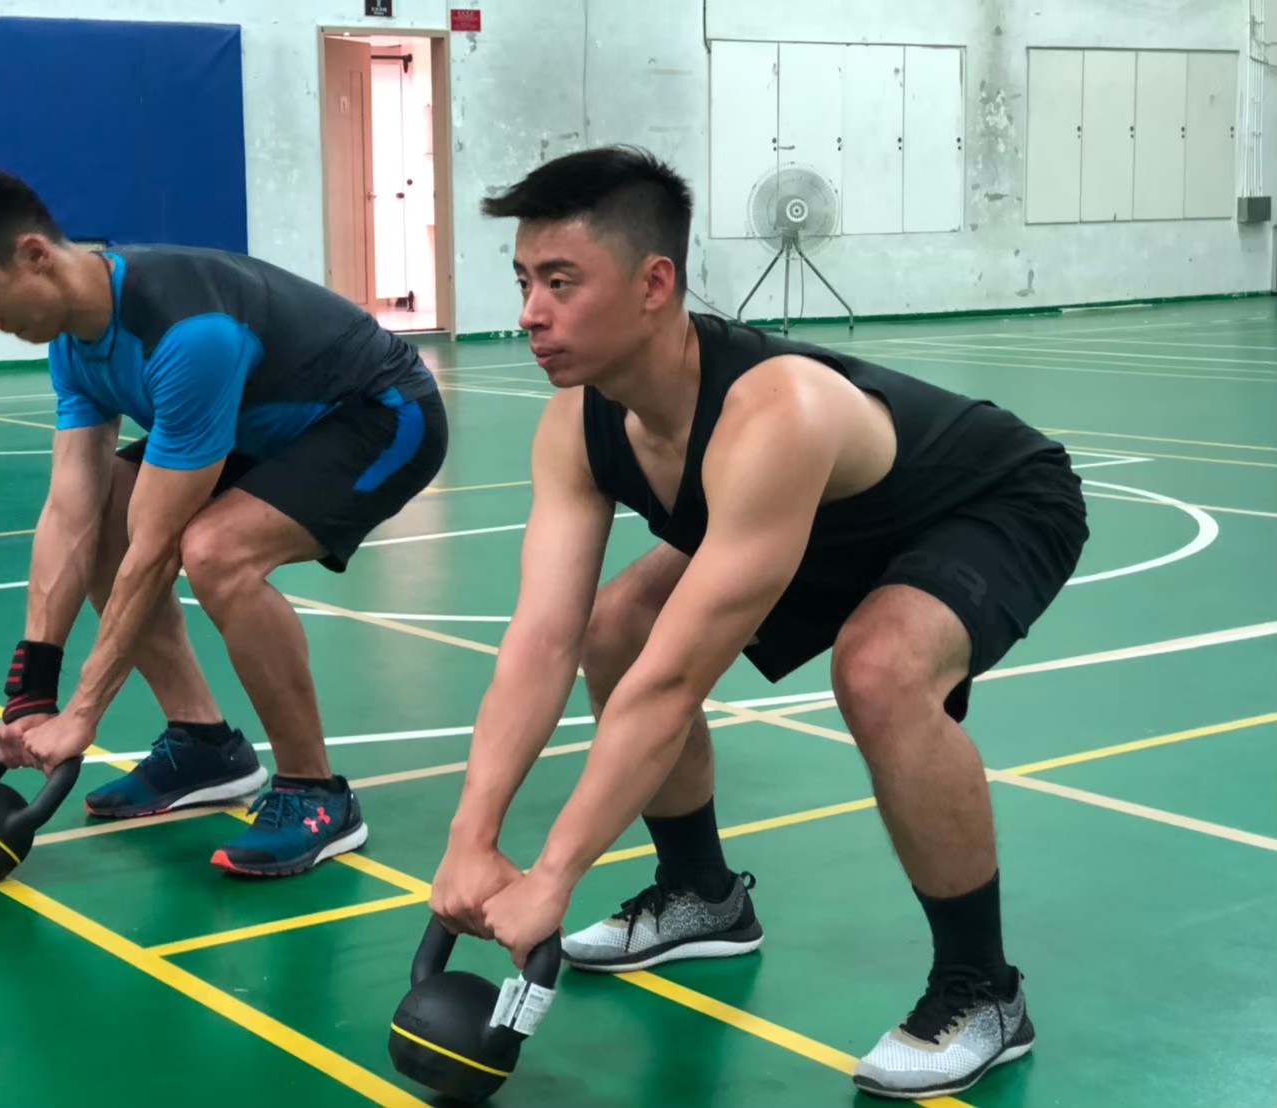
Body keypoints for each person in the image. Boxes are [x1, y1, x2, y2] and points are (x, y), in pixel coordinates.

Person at [428, 146, 1087, 1100]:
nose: (531, 311)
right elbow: (540, 640)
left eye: (560, 282)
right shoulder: (578, 423)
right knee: (618, 624)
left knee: (880, 669)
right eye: (524, 280)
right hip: (810, 517)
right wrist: (472, 833)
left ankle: (982, 990)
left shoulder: (775, 411)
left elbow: (670, 686)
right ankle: (701, 896)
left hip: (987, 504)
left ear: (655, 284)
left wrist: (553, 875)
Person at [0, 162, 447, 877]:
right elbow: (71, 509)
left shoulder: (190, 333)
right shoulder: (73, 340)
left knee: (216, 552)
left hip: (381, 415)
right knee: (109, 504)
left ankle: (316, 794)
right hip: (261, 424)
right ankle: (204, 746)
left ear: (34, 255)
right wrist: (32, 686)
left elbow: (157, 548)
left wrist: (83, 713)